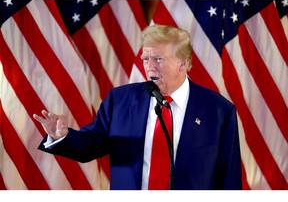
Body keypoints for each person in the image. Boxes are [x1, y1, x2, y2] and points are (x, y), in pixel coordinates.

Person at [33, 24, 242, 190]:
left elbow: (229, 179)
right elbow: (92, 144)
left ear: (183, 64)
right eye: (145, 58)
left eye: (159, 59)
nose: (150, 66)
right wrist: (62, 136)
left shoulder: (218, 111)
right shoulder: (121, 100)